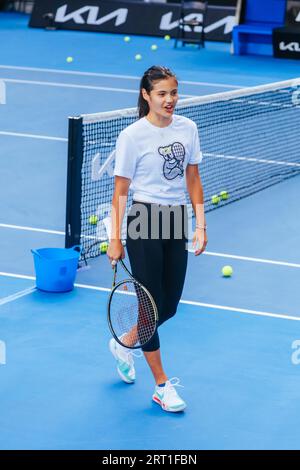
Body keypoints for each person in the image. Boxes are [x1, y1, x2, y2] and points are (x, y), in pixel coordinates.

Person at [107, 65, 207, 412]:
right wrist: (115, 238)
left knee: (169, 305)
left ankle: (125, 343)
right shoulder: (132, 136)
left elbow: (193, 177)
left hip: (175, 219)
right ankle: (162, 386)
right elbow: (121, 190)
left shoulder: (188, 128)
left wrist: (200, 224)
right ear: (146, 96)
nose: (169, 100)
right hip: (143, 219)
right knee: (150, 307)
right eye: (162, 93)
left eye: (174, 93)